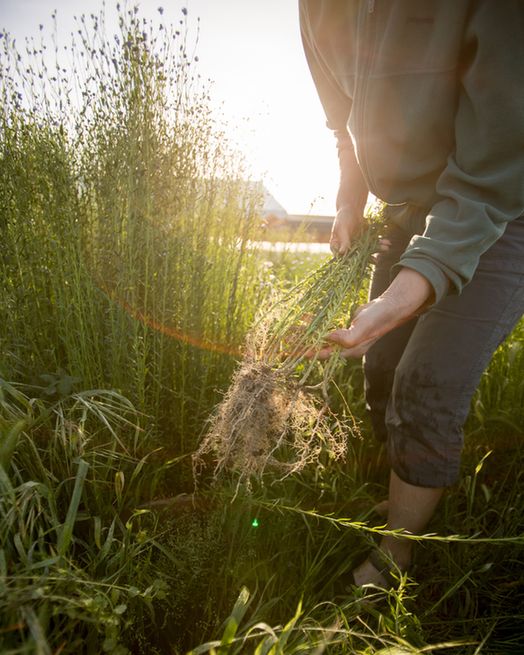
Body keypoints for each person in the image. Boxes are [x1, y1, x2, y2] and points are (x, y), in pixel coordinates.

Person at [299, 0, 524, 588]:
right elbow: (343, 126)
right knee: (382, 369)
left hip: (501, 205)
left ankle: (397, 556)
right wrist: (350, 199)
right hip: (412, 209)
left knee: (427, 383)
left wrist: (403, 297)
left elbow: (496, 163)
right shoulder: (315, 8)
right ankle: (404, 495)